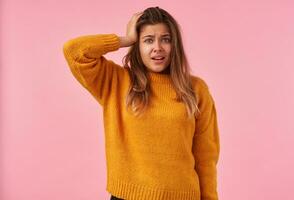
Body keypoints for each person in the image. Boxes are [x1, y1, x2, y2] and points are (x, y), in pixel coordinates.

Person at [63, 6, 220, 200]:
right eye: (148, 40)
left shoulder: (196, 89)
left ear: (175, 45)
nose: (158, 47)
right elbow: (74, 51)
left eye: (166, 39)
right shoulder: (116, 81)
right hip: (127, 196)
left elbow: (206, 158)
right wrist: (125, 39)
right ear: (137, 45)